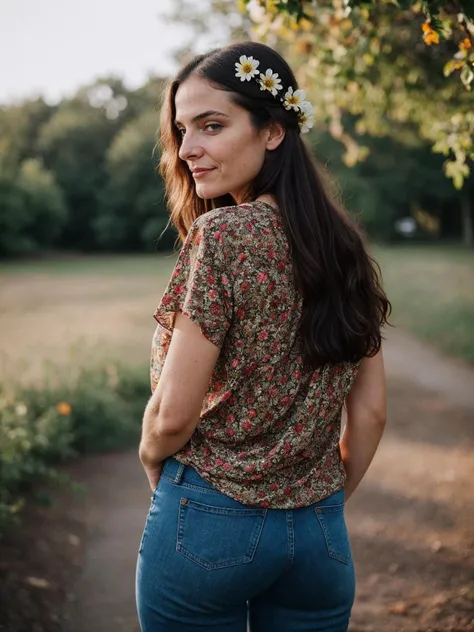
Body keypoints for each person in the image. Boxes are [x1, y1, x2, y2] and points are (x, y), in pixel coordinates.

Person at [135, 40, 390, 632]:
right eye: (181, 129)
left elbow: (173, 417)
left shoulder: (222, 235)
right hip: (320, 537)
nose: (188, 148)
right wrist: (320, 502)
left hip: (208, 521)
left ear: (273, 131)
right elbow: (372, 413)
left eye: (212, 125)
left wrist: (155, 462)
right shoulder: (343, 244)